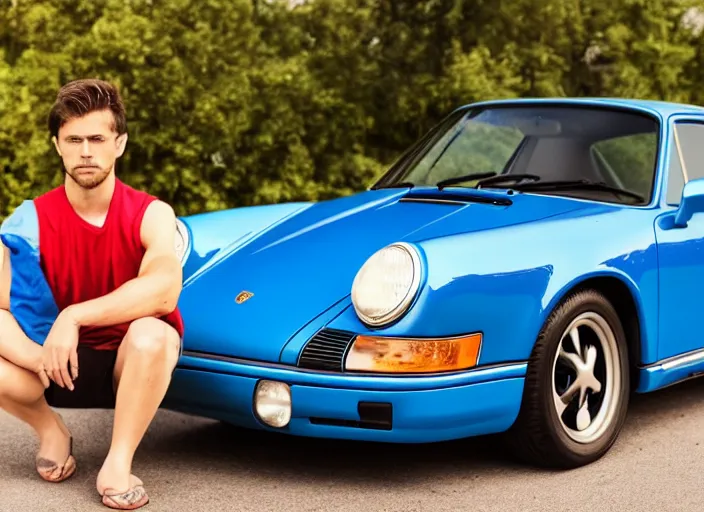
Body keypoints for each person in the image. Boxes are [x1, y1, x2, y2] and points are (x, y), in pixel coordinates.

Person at [0, 78, 184, 510]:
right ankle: (50, 429)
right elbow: (1, 307)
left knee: (153, 334)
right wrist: (38, 356)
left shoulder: (151, 213)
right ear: (57, 145)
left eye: (98, 138)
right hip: (54, 365)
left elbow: (164, 291)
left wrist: (74, 315)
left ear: (119, 143)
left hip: (130, 365)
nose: (86, 151)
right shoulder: (29, 220)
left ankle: (117, 462)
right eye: (74, 139)